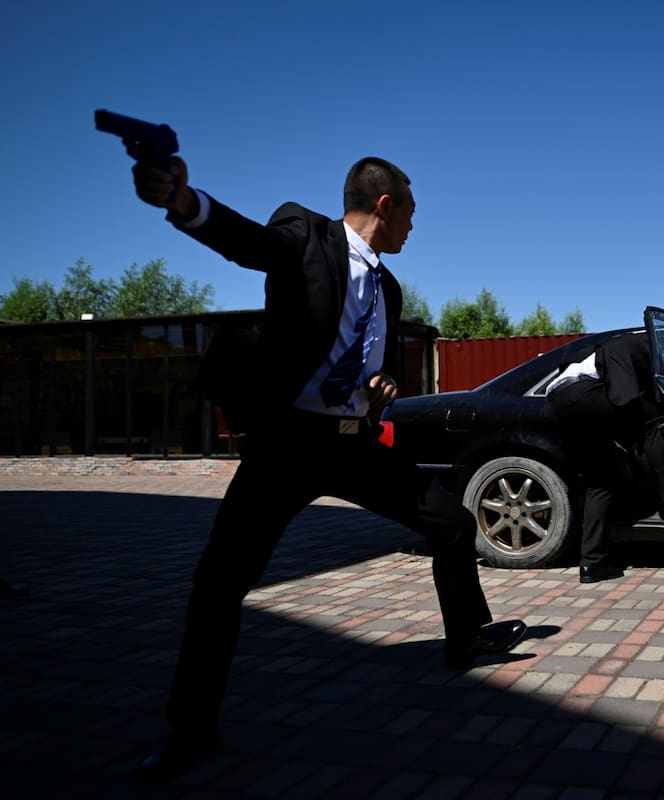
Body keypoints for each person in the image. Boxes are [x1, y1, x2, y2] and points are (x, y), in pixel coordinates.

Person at [125, 151, 527, 783]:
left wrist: (385, 379)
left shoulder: (388, 288)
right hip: (287, 445)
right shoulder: (305, 237)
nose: (415, 229)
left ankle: (466, 637)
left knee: (451, 521)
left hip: (349, 441)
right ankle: (188, 729)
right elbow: (249, 244)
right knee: (219, 584)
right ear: (385, 206)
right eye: (412, 215)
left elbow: (378, 360)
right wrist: (185, 203)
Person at [546, 332, 664, 583]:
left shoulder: (626, 346)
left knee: (601, 482)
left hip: (557, 401)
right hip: (584, 393)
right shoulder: (636, 345)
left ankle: (592, 564)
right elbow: (627, 402)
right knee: (653, 426)